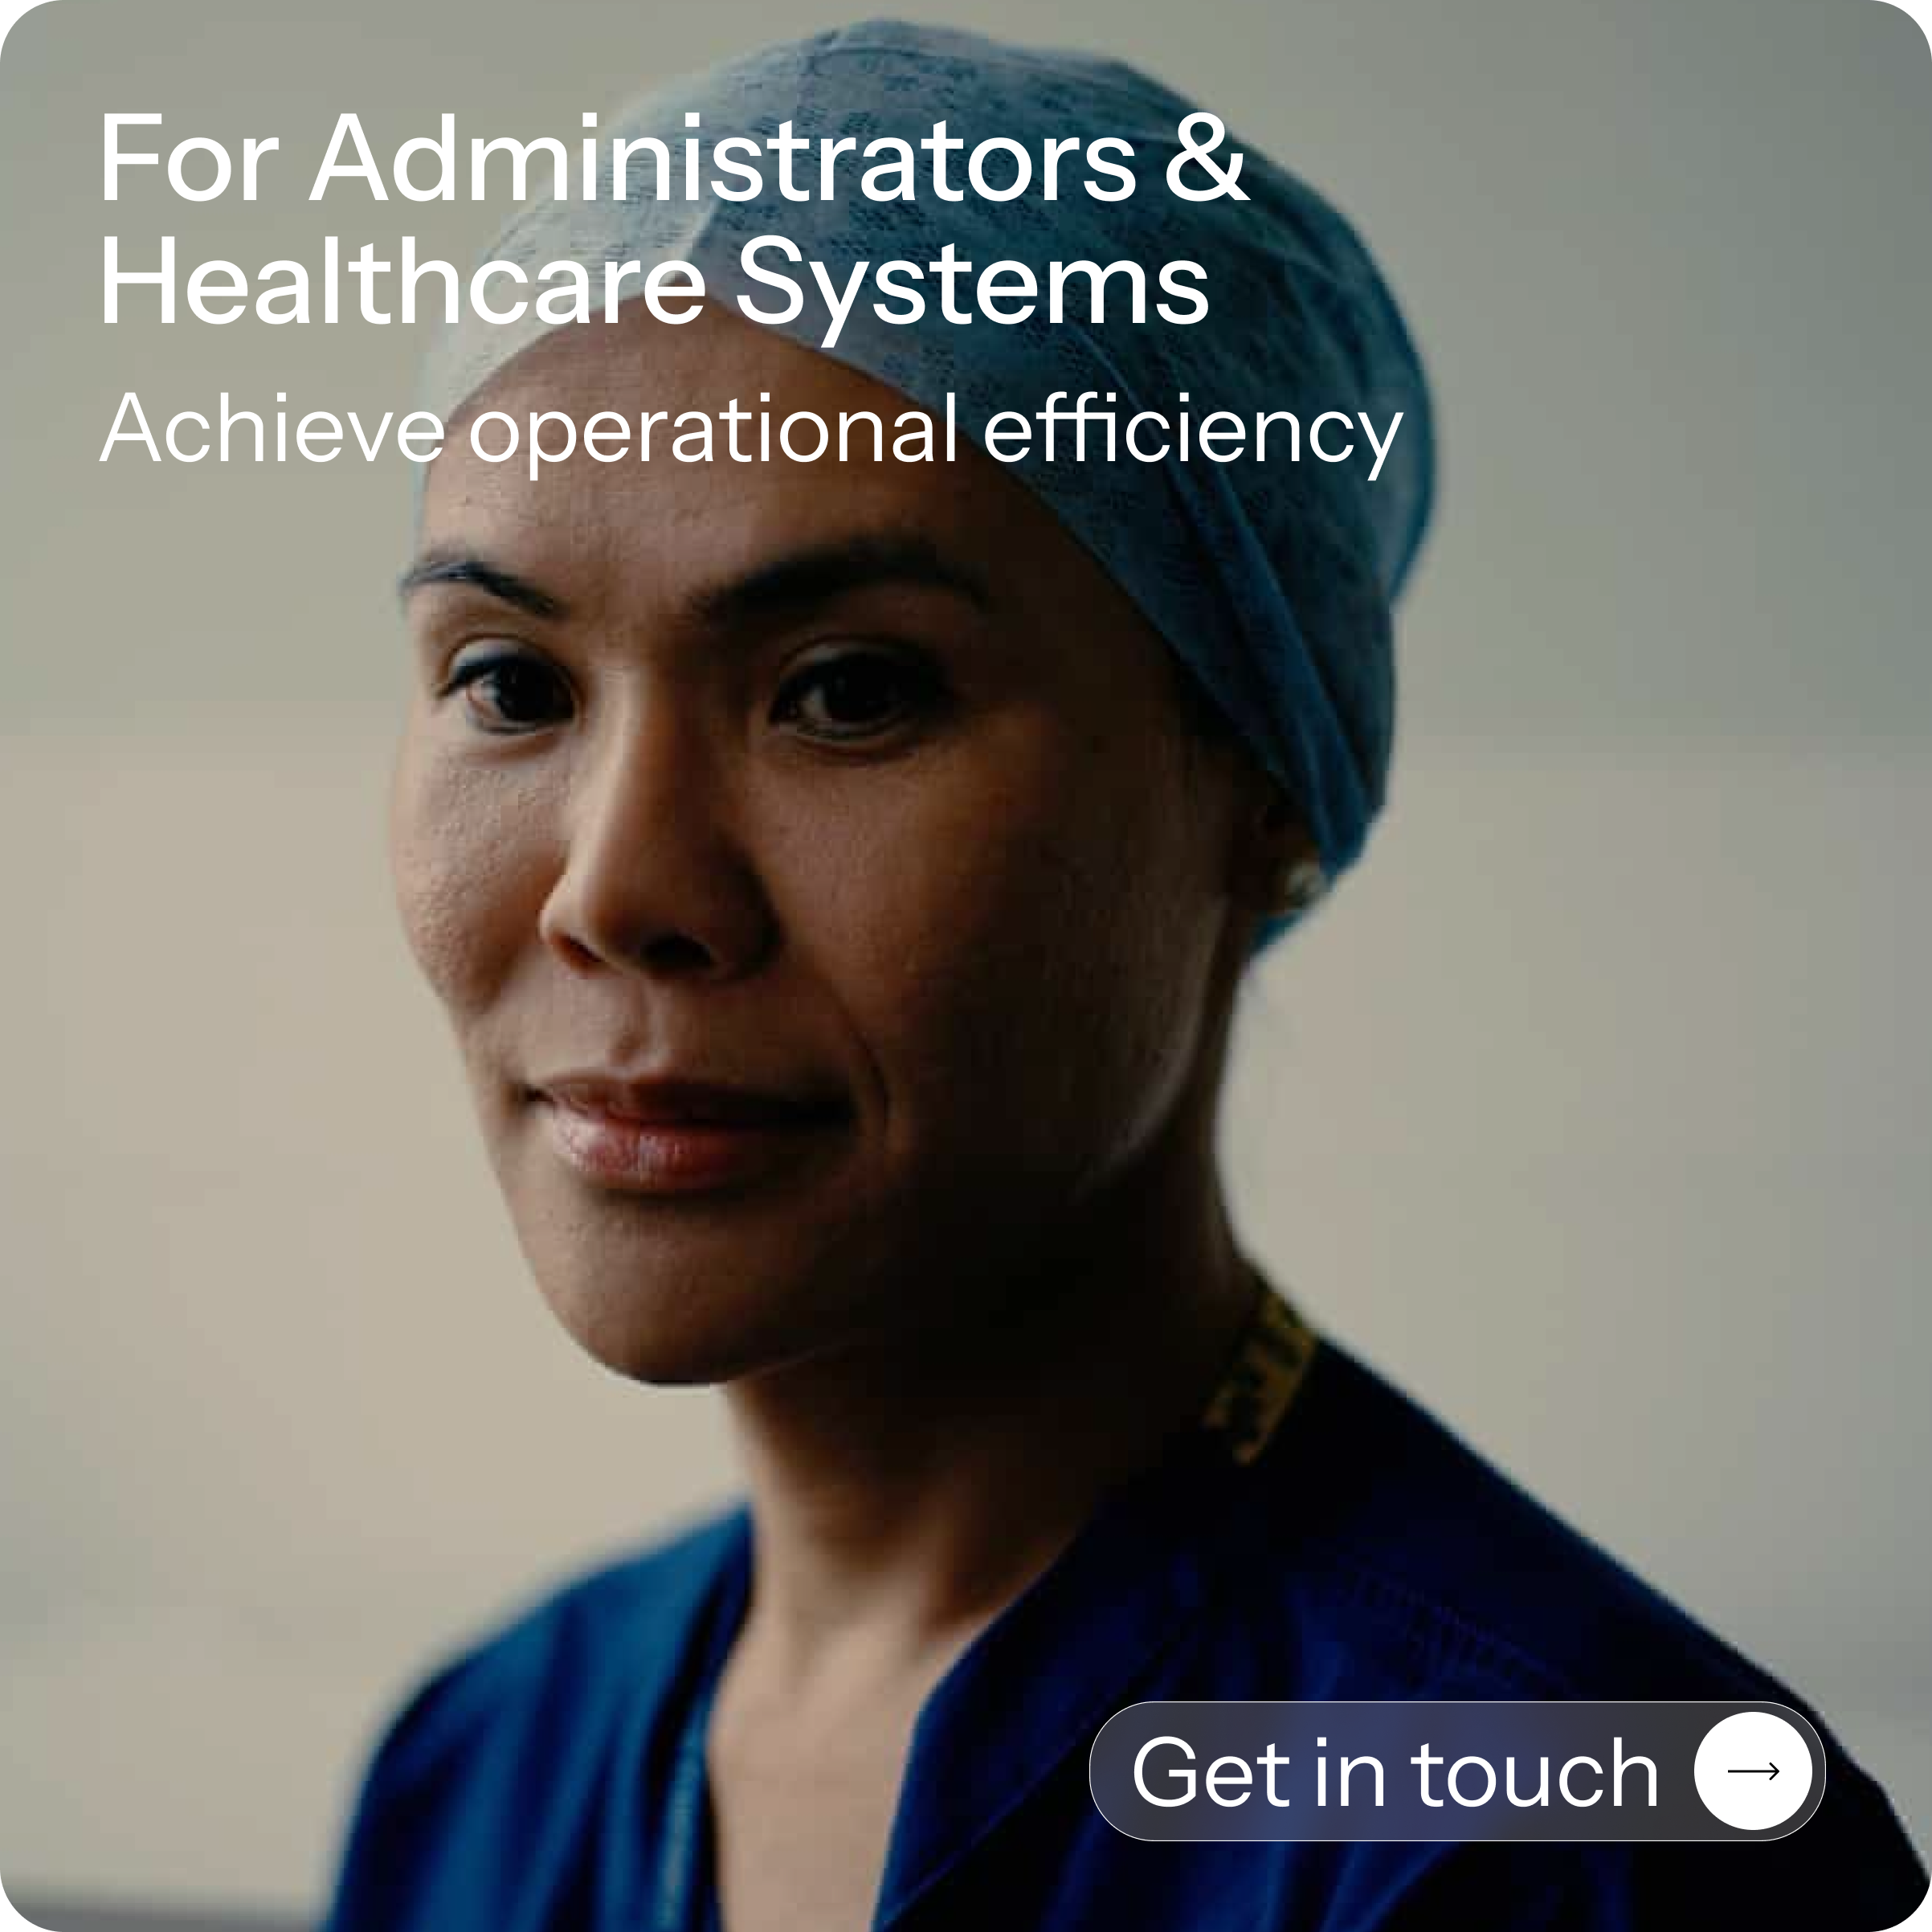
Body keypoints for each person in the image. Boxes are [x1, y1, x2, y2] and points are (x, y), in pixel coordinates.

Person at [325, 21, 1928, 1930]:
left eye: (850, 688)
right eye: (510, 681)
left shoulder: (1579, 1845)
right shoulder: (484, 1771)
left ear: (1262, 784)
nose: (616, 886)